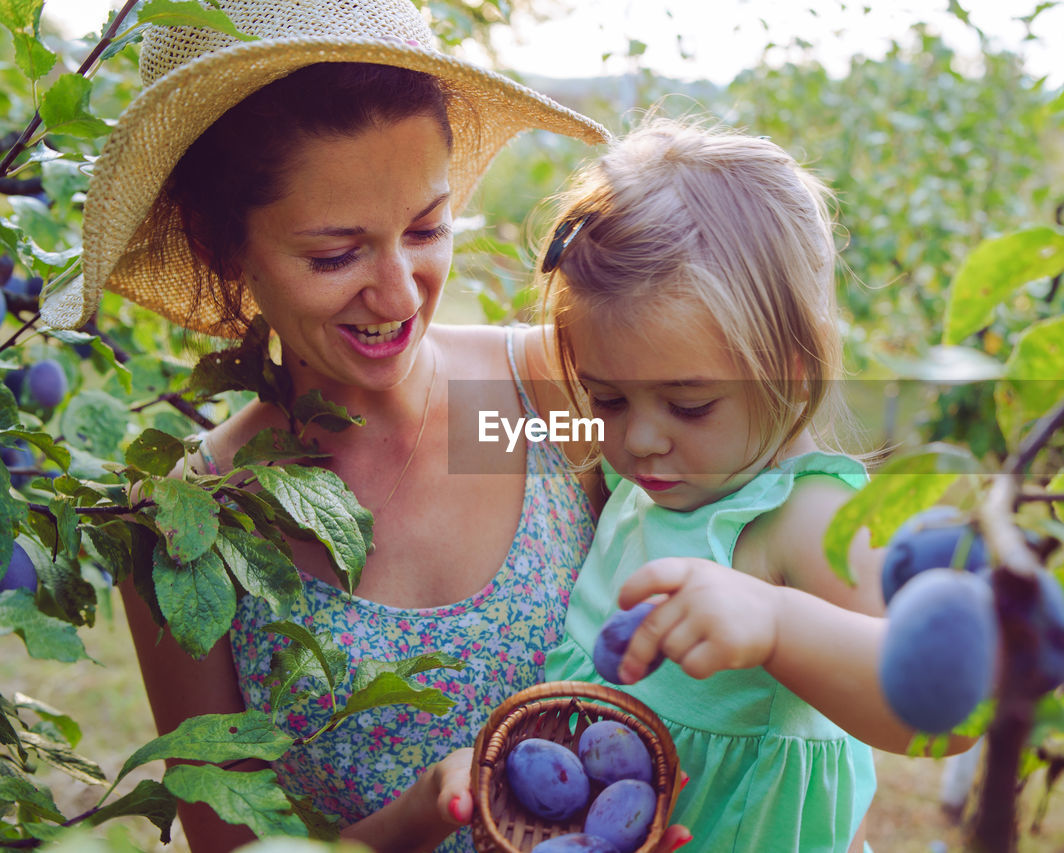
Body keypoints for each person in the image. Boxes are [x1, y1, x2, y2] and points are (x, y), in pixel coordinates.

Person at [51, 1, 691, 851]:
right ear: (224, 245)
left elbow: (761, 500)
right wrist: (422, 816)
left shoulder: (535, 403)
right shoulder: (190, 527)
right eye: (334, 255)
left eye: (427, 228)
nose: (398, 295)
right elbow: (231, 841)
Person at [538, 118, 928, 852]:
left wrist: (778, 624)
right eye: (607, 399)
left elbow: (922, 710)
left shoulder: (800, 517)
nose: (639, 438)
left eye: (689, 404)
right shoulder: (660, 473)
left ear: (793, 368)